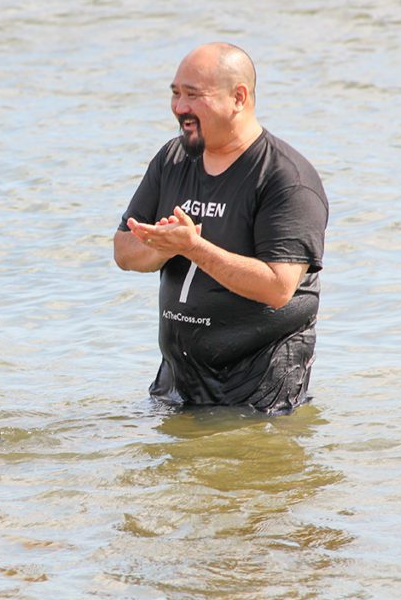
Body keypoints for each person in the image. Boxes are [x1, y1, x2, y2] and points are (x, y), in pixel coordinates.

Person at [113, 42, 329, 415]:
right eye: (176, 94)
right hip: (178, 378)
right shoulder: (172, 159)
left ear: (238, 98)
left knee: (243, 469)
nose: (180, 107)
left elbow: (278, 287)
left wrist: (194, 247)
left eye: (193, 95)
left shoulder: (285, 178)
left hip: (260, 383)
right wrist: (167, 246)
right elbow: (123, 250)